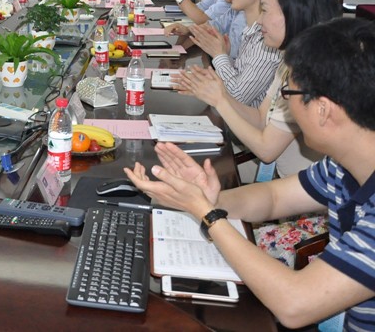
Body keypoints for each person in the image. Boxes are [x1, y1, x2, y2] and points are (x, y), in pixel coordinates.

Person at [125, 17, 375, 330]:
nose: (285, 105)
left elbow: (295, 305)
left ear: (323, 109)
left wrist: (208, 214)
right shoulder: (343, 164)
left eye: (289, 93)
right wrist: (209, 198)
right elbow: (273, 198)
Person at [172, 0, 342, 177]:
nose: (259, 21)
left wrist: (220, 100)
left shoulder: (311, 73)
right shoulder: (288, 62)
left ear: (296, 14)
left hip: (301, 188)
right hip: (289, 182)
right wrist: (218, 92)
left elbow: (266, 150)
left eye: (265, 10)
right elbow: (261, 118)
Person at [188, 0, 287, 107]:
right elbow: (238, 80)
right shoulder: (251, 31)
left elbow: (238, 97)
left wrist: (219, 55)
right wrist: (225, 56)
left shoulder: (266, 41)